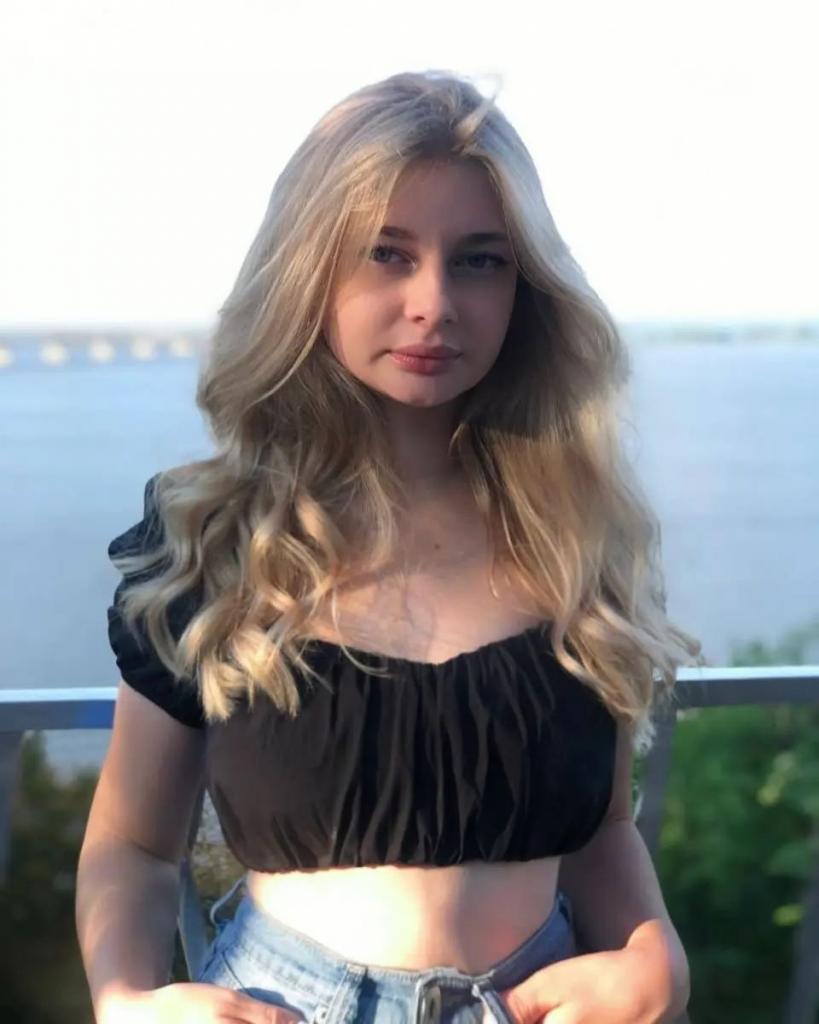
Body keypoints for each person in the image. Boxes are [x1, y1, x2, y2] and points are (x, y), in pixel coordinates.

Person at [75, 69, 701, 1024]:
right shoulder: (215, 538)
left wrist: (658, 958)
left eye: (480, 260)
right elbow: (133, 846)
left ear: (525, 287)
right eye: (386, 253)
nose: (433, 302)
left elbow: (602, 830)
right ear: (309, 269)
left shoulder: (573, 535)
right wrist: (127, 1001)